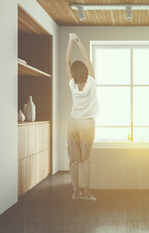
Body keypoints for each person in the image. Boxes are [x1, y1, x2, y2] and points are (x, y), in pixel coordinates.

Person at [66, 33, 99, 201]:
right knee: (85, 159)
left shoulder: (72, 84)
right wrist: (78, 40)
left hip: (73, 123)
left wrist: (70, 42)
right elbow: (87, 58)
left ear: (73, 72)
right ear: (86, 71)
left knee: (73, 161)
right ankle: (86, 191)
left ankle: (75, 192)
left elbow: (67, 61)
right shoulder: (92, 82)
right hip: (87, 124)